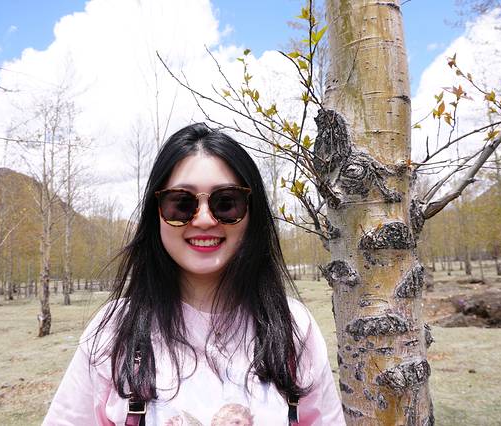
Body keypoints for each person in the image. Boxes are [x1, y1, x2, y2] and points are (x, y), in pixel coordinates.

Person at [43, 123, 345, 425]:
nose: (203, 220)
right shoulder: (114, 333)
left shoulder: (294, 329)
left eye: (226, 203)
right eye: (181, 203)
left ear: (251, 214)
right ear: (156, 214)